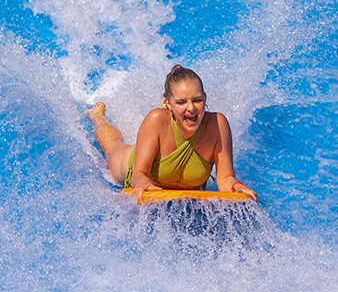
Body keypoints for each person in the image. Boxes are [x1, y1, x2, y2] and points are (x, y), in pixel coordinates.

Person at [88, 64, 257, 202]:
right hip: (132, 164)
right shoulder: (157, 119)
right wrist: (142, 182)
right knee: (112, 148)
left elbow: (226, 179)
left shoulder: (217, 125)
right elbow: (138, 174)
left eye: (197, 100)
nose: (191, 108)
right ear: (167, 103)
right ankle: (98, 117)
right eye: (181, 102)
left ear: (205, 98)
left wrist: (237, 187)